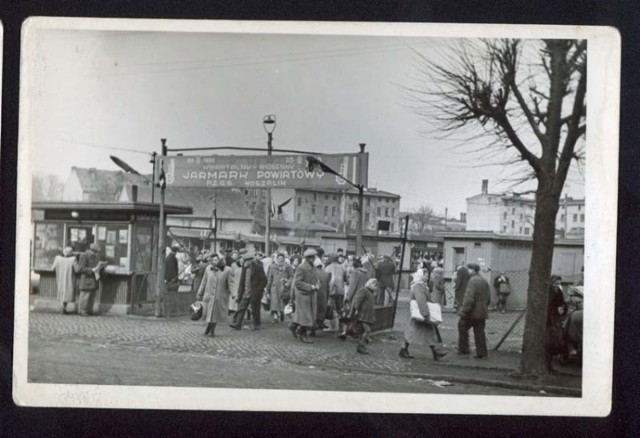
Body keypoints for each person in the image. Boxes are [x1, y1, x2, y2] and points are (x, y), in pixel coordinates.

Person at [399, 274, 448, 361]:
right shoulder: (418, 286)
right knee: (428, 332)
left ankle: (404, 349)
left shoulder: (420, 285)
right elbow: (421, 300)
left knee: (413, 333)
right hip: (421, 313)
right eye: (425, 275)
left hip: (419, 314)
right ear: (421, 276)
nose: (427, 277)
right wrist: (426, 314)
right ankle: (436, 352)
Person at [457, 263, 491, 359]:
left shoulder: (472, 281)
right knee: (479, 332)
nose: (468, 271)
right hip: (482, 311)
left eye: (469, 269)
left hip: (472, 312)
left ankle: (464, 349)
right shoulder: (484, 281)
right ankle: (482, 353)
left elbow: (469, 299)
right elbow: (489, 298)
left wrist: (463, 311)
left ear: (472, 270)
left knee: (462, 326)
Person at [196, 254, 235, 337]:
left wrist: (233, 294)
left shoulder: (227, 270)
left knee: (215, 313)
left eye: (216, 260)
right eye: (213, 260)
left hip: (220, 295)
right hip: (209, 295)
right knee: (208, 313)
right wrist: (200, 292)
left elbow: (231, 283)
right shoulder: (208, 269)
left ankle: (212, 330)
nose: (215, 261)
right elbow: (204, 281)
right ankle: (208, 326)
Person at [230, 252, 268, 330]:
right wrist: (240, 292)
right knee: (241, 307)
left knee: (255, 309)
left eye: (246, 261)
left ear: (251, 261)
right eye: (244, 261)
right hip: (245, 292)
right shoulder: (245, 268)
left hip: (254, 293)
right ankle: (238, 324)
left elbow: (264, 280)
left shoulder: (258, 268)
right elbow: (242, 281)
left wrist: (259, 290)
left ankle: (256, 325)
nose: (244, 262)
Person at [290, 248, 319, 343]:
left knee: (305, 315)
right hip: (303, 295)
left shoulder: (313, 267)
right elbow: (298, 282)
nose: (314, 259)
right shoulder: (301, 267)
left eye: (314, 257)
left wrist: (318, 284)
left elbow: (315, 278)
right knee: (305, 316)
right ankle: (303, 335)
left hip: (310, 294)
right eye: (312, 257)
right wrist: (310, 286)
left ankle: (293, 326)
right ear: (307, 258)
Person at [348, 278, 378, 355]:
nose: (375, 285)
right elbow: (358, 300)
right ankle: (361, 345)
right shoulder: (364, 290)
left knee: (363, 330)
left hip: (366, 315)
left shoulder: (370, 292)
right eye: (373, 283)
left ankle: (362, 344)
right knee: (367, 330)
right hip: (362, 315)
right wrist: (356, 309)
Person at [546, 275, 568, 370]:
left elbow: (562, 302)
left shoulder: (558, 291)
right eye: (556, 284)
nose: (558, 286)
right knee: (549, 341)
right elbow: (547, 306)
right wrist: (556, 310)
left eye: (559, 284)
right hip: (549, 319)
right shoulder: (548, 291)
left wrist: (563, 309)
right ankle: (548, 363)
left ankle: (552, 362)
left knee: (558, 339)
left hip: (556, 319)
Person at [77, 243, 105, 316]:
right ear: (92, 251)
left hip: (93, 279)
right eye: (96, 252)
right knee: (85, 296)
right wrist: (92, 270)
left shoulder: (96, 257)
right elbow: (81, 268)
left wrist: (101, 267)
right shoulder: (84, 256)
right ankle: (82, 310)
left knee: (92, 295)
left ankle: (89, 310)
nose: (97, 254)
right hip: (87, 279)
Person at [266, 253, 293, 323]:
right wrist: (267, 289)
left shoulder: (288, 266)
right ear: (277, 259)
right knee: (274, 302)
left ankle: (281, 312)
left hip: (283, 286)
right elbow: (269, 278)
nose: (280, 260)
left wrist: (288, 283)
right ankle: (275, 316)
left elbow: (291, 276)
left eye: (282, 258)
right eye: (279, 258)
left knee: (282, 301)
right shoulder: (272, 266)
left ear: (284, 259)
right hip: (274, 287)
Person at [325, 253, 347, 333]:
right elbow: (345, 279)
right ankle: (341, 327)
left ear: (330, 258)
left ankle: (332, 326)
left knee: (331, 308)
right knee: (340, 309)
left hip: (331, 290)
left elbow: (326, 280)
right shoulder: (343, 267)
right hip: (340, 291)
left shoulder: (327, 268)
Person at [52, 246, 77, 314]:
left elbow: (52, 268)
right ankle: (63, 308)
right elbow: (77, 270)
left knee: (61, 292)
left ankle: (62, 308)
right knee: (67, 293)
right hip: (69, 278)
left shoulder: (58, 258)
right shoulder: (73, 259)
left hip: (60, 277)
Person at [314, 257, 330, 333]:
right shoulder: (326, 274)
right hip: (323, 295)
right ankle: (320, 323)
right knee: (321, 311)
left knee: (314, 311)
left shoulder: (313, 273)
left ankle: (313, 328)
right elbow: (328, 287)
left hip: (315, 294)